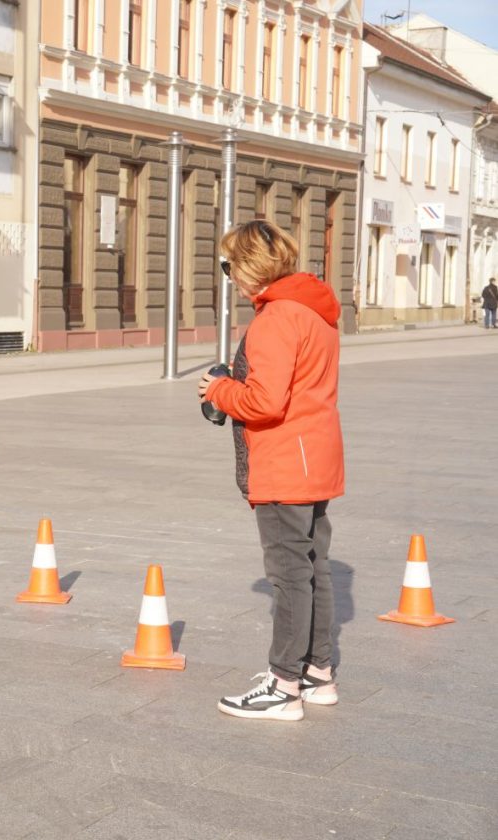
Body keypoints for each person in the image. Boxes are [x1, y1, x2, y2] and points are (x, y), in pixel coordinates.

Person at [198, 219, 344, 722]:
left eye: (228, 266)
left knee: (289, 577)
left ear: (249, 267)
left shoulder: (277, 317)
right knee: (313, 569)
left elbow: (264, 401)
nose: (229, 277)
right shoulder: (316, 310)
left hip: (285, 461)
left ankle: (283, 686)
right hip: (314, 455)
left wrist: (218, 390)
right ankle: (318, 674)